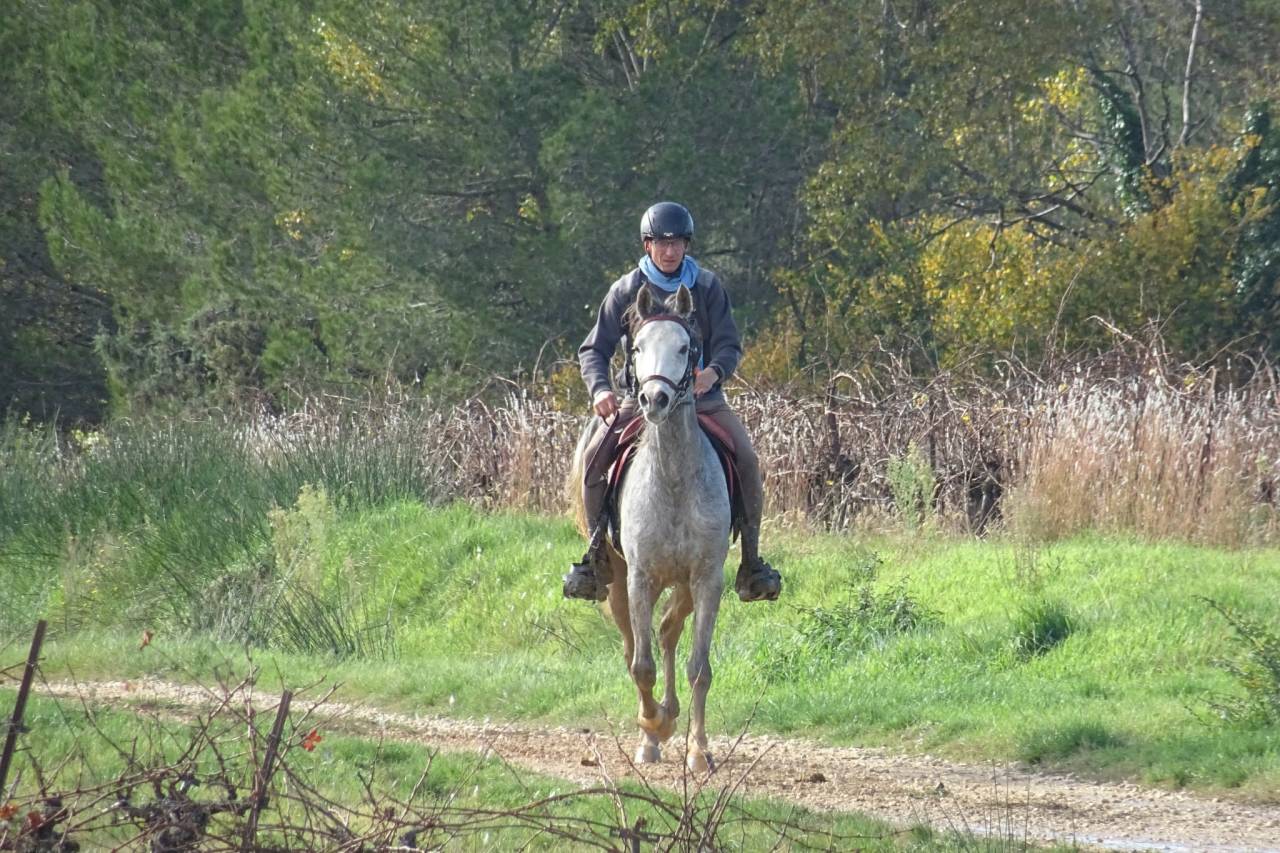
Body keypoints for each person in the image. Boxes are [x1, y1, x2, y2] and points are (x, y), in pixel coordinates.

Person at [563, 201, 782, 603]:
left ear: (686, 245)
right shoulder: (626, 290)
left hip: (702, 399)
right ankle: (595, 557)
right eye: (661, 243)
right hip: (640, 399)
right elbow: (594, 349)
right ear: (647, 246)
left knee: (747, 458)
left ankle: (752, 562)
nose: (670, 251)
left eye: (677, 242)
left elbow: (729, 345)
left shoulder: (707, 287)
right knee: (595, 458)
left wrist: (712, 374)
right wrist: (600, 389)